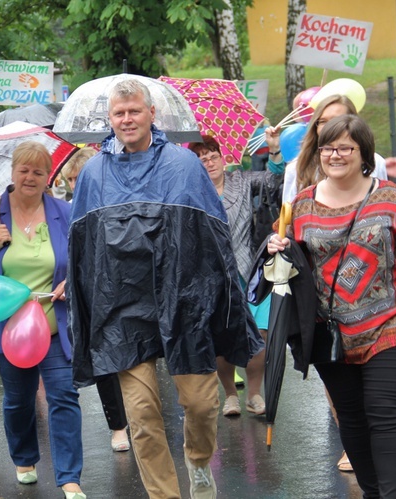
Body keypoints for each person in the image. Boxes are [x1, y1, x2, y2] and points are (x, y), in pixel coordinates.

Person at [67, 78, 262, 499]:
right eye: (119, 113)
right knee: (141, 416)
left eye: (134, 110)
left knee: (200, 403)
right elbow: (82, 249)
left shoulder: (182, 165)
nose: (127, 119)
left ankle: (198, 461)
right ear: (110, 118)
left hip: (183, 299)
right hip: (121, 307)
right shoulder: (94, 174)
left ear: (152, 114)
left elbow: (214, 239)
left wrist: (222, 298)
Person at [267, 115, 396, 498]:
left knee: (385, 415)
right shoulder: (300, 206)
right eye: (327, 148)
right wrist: (275, 249)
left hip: (391, 321)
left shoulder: (390, 197)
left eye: (344, 147)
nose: (335, 155)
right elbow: (285, 263)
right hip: (329, 329)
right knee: (350, 418)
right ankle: (373, 493)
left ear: (363, 152)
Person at [0, 142, 85, 499]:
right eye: (24, 170)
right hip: (11, 327)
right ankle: (24, 458)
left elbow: (80, 258)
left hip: (55, 324)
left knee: (64, 396)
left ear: (49, 177)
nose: (30, 177)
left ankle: (69, 477)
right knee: (18, 400)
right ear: (12, 173)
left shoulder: (64, 210)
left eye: (38, 172)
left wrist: (69, 282)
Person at [188, 135, 283, 418]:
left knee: (261, 333)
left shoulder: (240, 180)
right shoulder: (192, 191)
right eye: (201, 158)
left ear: (222, 156)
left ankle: (254, 393)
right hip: (214, 276)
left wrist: (275, 149)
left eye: (212, 155)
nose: (209, 161)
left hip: (251, 270)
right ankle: (230, 394)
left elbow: (274, 181)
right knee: (222, 338)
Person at [61, 146, 131, 452]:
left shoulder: (119, 200)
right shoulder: (66, 210)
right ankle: (118, 426)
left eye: (80, 177)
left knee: (132, 358)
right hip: (88, 294)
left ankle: (140, 418)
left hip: (123, 289)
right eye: (72, 179)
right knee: (103, 360)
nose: (76, 184)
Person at [278, 94, 396, 204]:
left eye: (336, 120)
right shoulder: (297, 168)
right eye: (322, 121)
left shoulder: (377, 164)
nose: (329, 127)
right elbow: (289, 221)